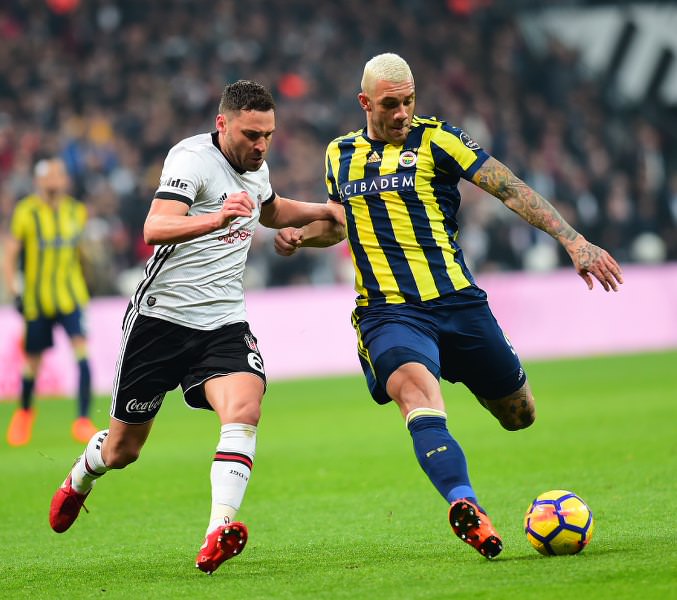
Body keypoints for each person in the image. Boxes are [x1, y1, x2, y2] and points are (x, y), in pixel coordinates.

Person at [274, 53, 623, 559]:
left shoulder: (440, 140)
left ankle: (467, 392)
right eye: (390, 104)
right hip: (389, 311)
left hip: (459, 303)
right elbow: (341, 222)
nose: (401, 113)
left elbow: (510, 188)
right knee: (418, 398)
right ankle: (466, 506)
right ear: (364, 102)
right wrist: (302, 237)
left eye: (409, 101)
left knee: (519, 415)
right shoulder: (339, 154)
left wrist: (573, 240)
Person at [48, 80, 343, 574]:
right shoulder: (191, 159)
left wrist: (320, 210)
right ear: (222, 124)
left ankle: (217, 531)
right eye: (252, 134)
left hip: (223, 321)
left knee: (245, 406)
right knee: (123, 450)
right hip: (160, 321)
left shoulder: (256, 166)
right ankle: (81, 476)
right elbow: (155, 227)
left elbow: (269, 208)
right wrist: (215, 219)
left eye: (268, 135)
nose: (262, 145)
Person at [3, 158, 97, 446]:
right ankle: (24, 414)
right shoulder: (26, 212)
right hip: (37, 299)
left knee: (82, 352)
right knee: (32, 361)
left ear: (65, 179)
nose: (54, 180)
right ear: (39, 181)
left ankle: (82, 420)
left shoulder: (76, 211)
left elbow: (81, 253)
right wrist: (15, 291)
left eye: (59, 174)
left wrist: (89, 282)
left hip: (71, 297)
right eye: (49, 176)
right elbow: (10, 254)